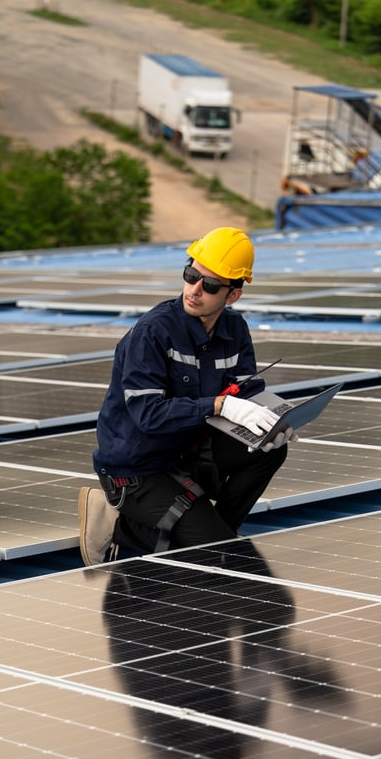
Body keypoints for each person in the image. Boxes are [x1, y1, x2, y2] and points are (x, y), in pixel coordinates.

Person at [78, 226, 295, 565]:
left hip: (187, 452)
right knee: (215, 552)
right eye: (191, 274)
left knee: (268, 449)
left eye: (209, 285)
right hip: (137, 470)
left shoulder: (234, 330)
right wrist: (220, 404)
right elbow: (148, 415)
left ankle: (212, 531)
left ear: (232, 295)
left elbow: (246, 387)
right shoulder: (152, 333)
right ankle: (120, 526)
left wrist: (272, 418)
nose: (194, 290)